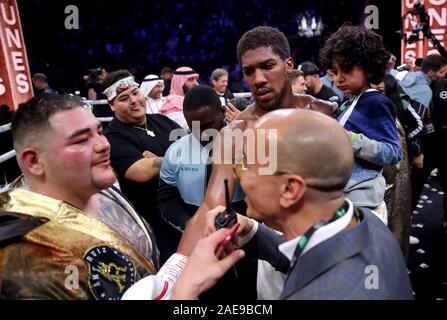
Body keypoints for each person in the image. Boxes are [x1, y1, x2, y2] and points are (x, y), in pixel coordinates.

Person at [172, 109, 413, 300]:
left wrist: (183, 295)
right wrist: (252, 230)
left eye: (246, 166)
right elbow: (313, 258)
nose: (238, 176)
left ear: (289, 189)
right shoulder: (365, 221)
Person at [186, 26, 336, 299]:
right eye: (249, 71)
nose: (258, 79)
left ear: (288, 65)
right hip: (273, 252)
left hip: (333, 242)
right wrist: (176, 273)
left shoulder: (322, 112)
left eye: (268, 66)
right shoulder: (236, 133)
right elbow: (211, 203)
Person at [0, 94, 160, 299]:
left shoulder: (101, 189)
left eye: (99, 132)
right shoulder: (21, 252)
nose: (104, 144)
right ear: (34, 161)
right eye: (82, 140)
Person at [319, 24, 403, 224]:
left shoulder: (376, 102)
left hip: (361, 203)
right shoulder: (352, 100)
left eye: (346, 69)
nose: (339, 78)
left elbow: (393, 152)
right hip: (343, 198)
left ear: (369, 66)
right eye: (335, 71)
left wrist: (350, 139)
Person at [102, 70, 185, 264]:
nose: (133, 100)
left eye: (135, 92)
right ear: (111, 106)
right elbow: (141, 172)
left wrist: (159, 161)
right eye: (123, 98)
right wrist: (179, 158)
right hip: (157, 227)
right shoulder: (114, 137)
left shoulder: (162, 121)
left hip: (189, 212)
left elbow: (195, 150)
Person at [160, 66, 199, 131]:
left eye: (195, 79)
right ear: (179, 82)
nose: (196, 83)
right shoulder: (171, 103)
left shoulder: (196, 99)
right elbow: (189, 128)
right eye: (191, 79)